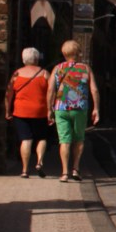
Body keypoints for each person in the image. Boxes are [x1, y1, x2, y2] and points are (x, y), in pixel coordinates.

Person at [46, 39, 100, 182]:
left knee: (64, 141)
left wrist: (49, 109)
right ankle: (75, 169)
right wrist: (96, 109)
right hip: (80, 108)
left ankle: (64, 173)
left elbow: (51, 89)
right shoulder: (86, 69)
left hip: (61, 108)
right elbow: (94, 89)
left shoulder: (57, 69)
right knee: (79, 139)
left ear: (64, 53)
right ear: (78, 53)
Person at [5, 47, 50, 177]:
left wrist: (8, 110)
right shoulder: (44, 73)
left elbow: (8, 94)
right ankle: (39, 162)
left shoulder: (16, 74)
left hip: (21, 111)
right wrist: (50, 110)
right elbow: (51, 93)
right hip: (40, 111)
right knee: (41, 138)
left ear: (23, 59)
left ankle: (25, 170)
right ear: (37, 59)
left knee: (26, 139)